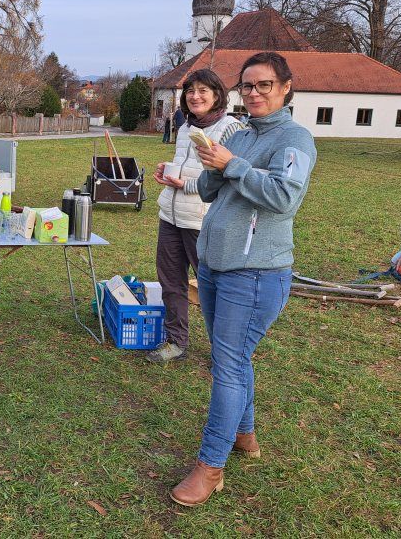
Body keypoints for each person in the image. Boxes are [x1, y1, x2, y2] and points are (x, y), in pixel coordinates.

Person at [169, 52, 316, 507]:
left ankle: (210, 468)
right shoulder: (245, 133)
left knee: (228, 366)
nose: (253, 94)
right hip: (216, 264)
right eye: (247, 86)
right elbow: (218, 190)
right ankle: (246, 434)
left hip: (254, 273)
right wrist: (210, 165)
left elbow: (283, 196)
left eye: (264, 85)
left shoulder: (295, 139)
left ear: (286, 87)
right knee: (235, 356)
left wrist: (231, 164)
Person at [149, 69, 243, 363]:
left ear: (217, 95)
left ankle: (225, 352)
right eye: (190, 91)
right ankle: (176, 341)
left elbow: (231, 177)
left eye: (203, 90)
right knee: (171, 283)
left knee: (212, 288)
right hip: (171, 217)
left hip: (202, 221)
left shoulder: (231, 129)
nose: (195, 96)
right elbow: (187, 164)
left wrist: (186, 184)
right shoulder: (185, 127)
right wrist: (169, 169)